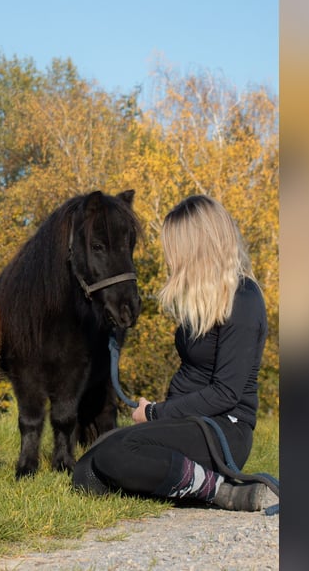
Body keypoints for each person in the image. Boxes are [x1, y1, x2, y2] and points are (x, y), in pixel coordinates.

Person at [72, 194, 269, 511]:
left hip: (223, 429)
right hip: (187, 421)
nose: (169, 257)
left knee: (115, 454)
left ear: (197, 247)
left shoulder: (244, 300)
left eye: (175, 247)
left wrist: (154, 414)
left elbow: (225, 392)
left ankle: (219, 490)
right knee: (86, 473)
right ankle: (181, 481)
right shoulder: (203, 302)